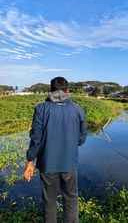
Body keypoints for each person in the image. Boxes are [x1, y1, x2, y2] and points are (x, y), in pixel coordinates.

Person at [24, 77, 87, 223]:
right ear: (68, 91)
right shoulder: (77, 109)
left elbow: (36, 138)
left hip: (47, 164)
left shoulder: (41, 108)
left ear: (51, 90)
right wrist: (70, 144)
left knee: (49, 200)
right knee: (71, 198)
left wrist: (30, 162)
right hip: (69, 163)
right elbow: (82, 138)